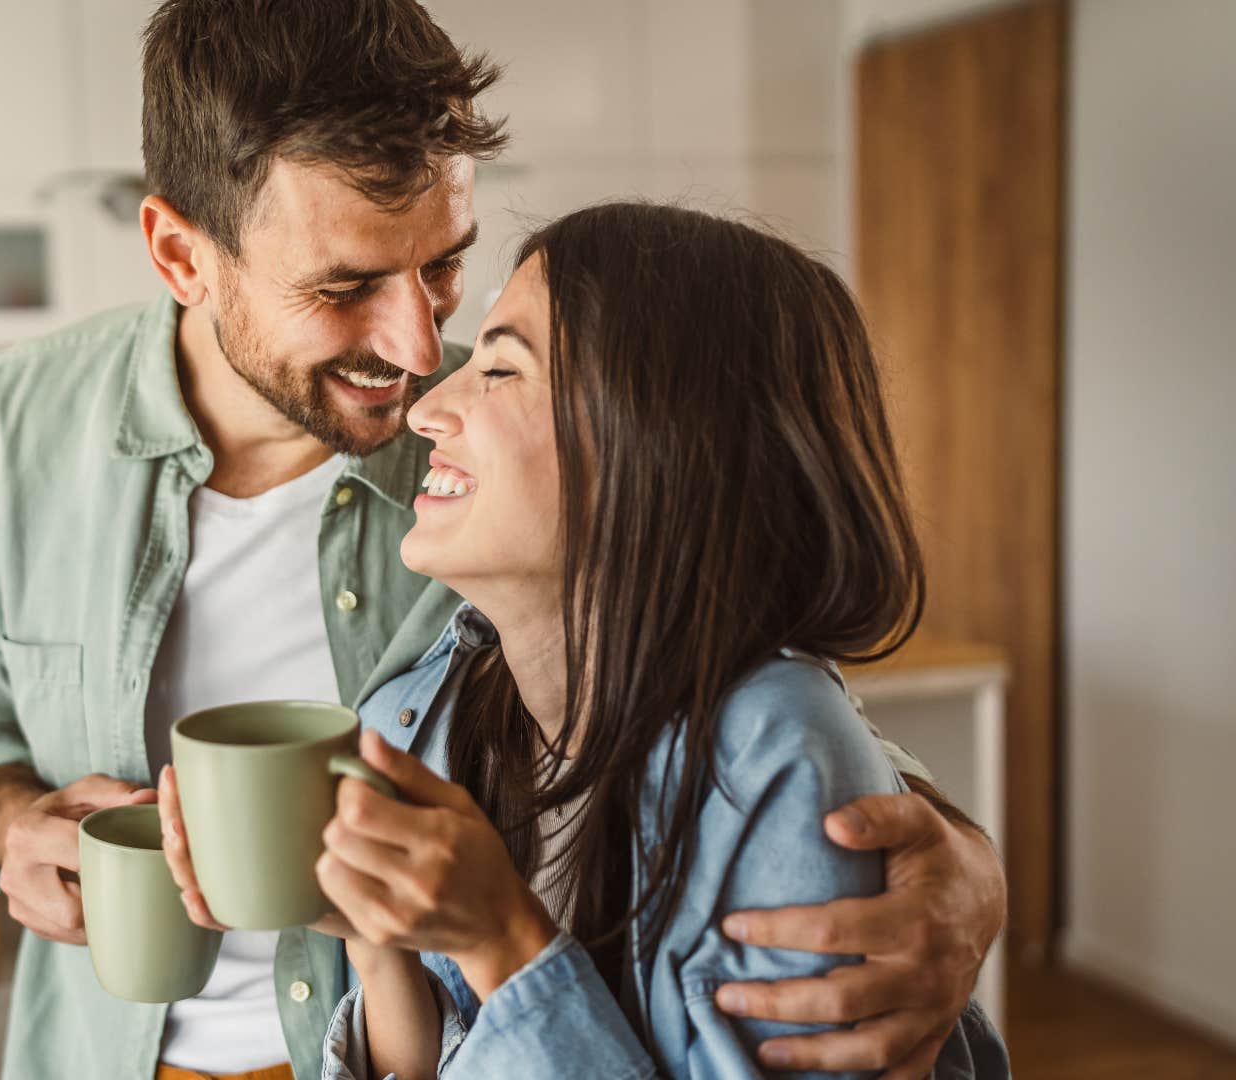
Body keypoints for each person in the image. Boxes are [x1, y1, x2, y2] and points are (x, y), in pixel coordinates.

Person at [0, 2, 1006, 1077]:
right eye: (345, 288)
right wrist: (13, 826)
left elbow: (712, 672)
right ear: (183, 256)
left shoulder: (513, 458)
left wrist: (953, 861)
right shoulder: (13, 428)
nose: (420, 346)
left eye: (441, 264)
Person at [300, 202, 1010, 1077]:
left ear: (655, 440)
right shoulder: (437, 712)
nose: (427, 408)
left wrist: (502, 942)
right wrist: (381, 948)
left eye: (500, 369)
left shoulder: (775, 759)